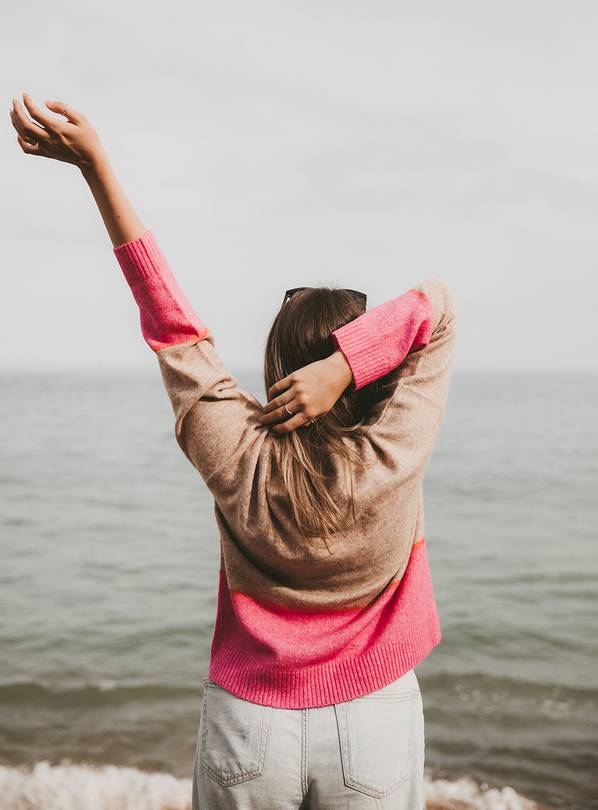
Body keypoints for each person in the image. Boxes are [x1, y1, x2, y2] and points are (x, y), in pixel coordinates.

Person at [10, 93, 457, 810]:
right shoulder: (394, 451)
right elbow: (438, 308)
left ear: (278, 364)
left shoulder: (235, 450)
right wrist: (349, 362)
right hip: (373, 714)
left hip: (251, 725)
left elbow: (168, 321)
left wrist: (97, 169)